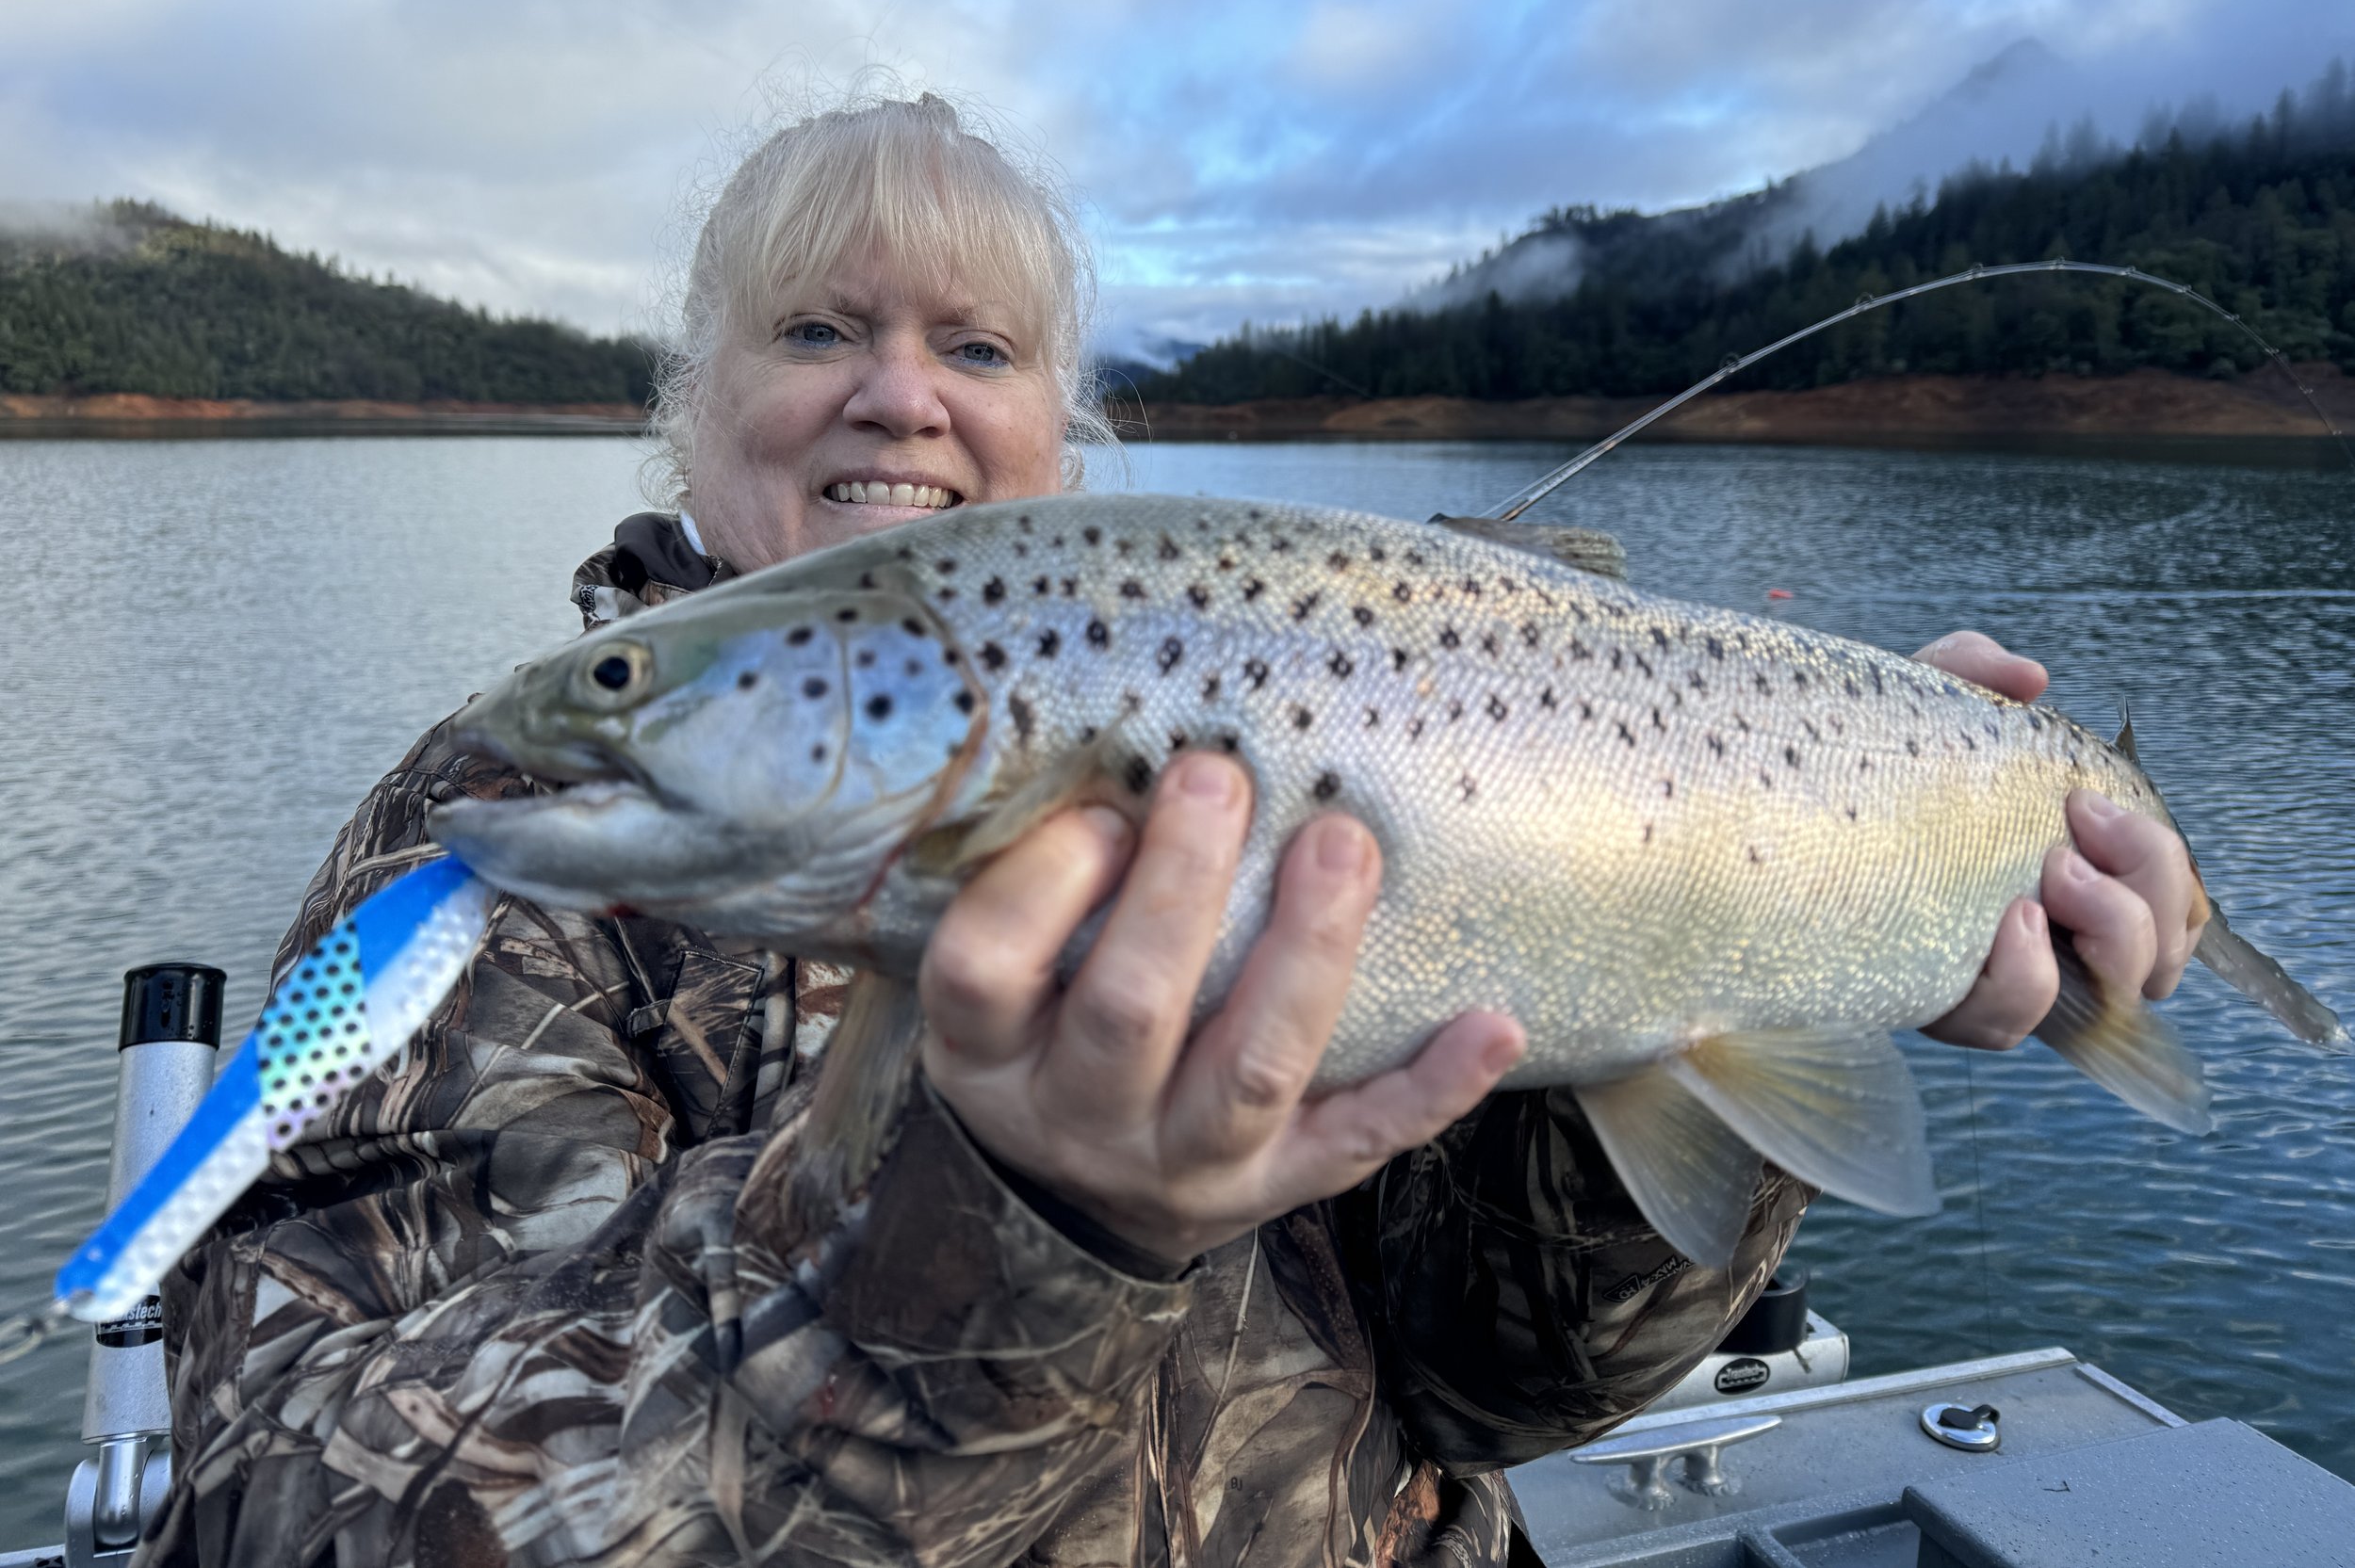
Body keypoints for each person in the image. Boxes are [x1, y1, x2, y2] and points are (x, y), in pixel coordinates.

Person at [148, 95, 2201, 1568]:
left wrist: (1829, 888)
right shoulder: (498, 832)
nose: (895, 396)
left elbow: (1499, 1388)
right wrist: (999, 1227)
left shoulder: (1243, 679)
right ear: (686, 408)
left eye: (974, 346)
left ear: (1063, 430)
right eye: (811, 331)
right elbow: (277, 1499)